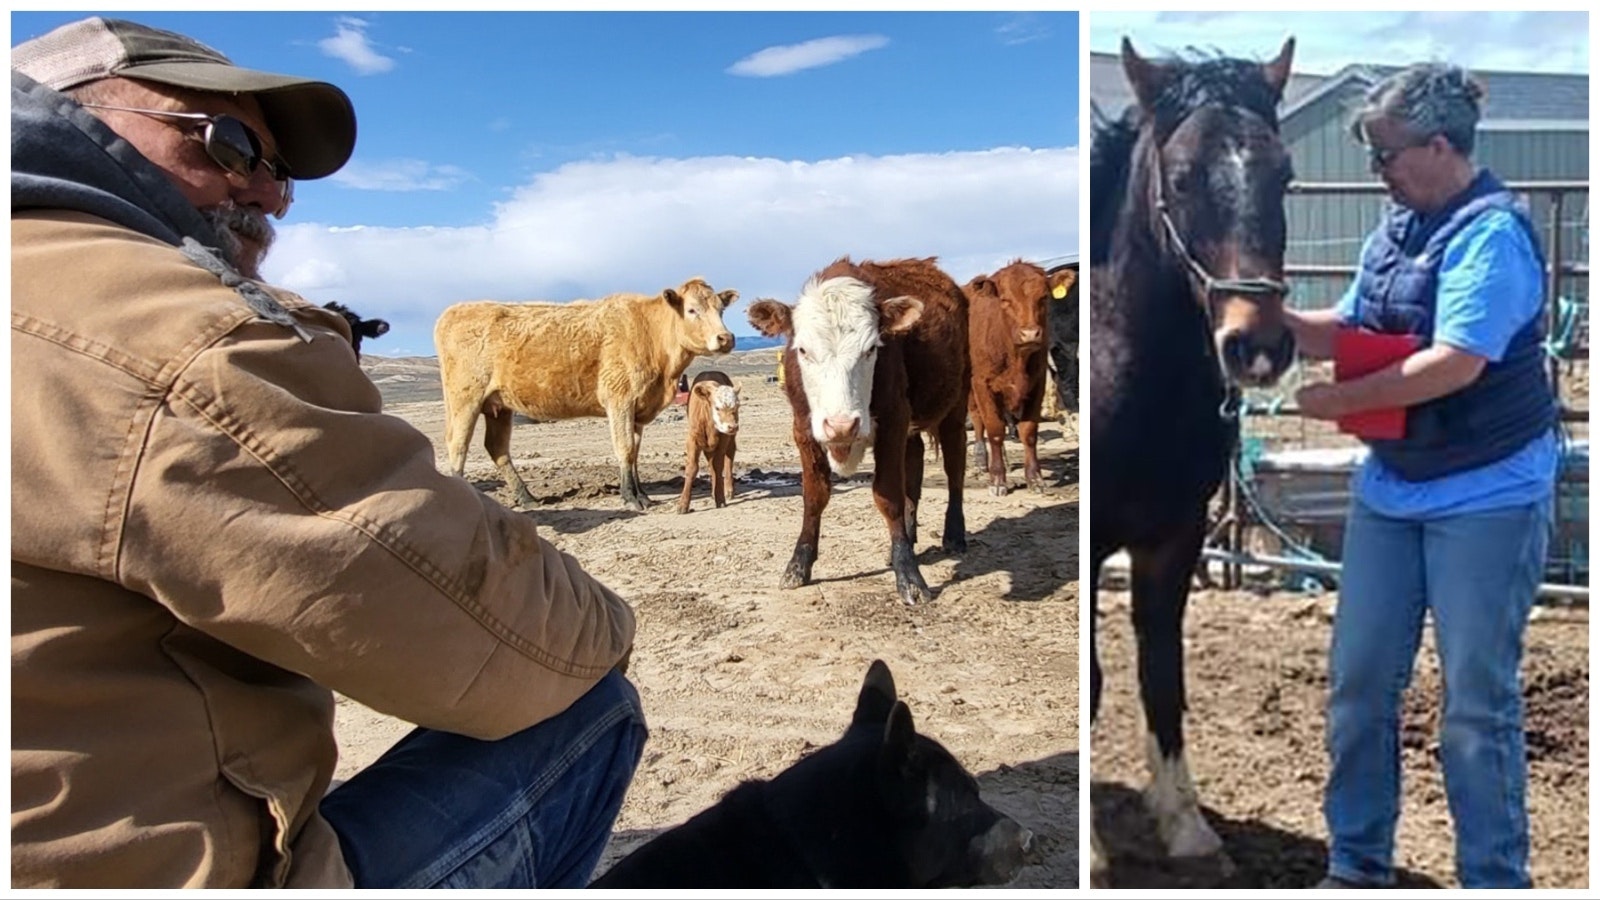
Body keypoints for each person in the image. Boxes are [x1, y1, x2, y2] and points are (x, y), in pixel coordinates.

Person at [11, 17, 646, 889]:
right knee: (591, 702)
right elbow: (520, 641)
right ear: (74, 120)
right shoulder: (168, 334)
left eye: (275, 170)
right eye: (228, 144)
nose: (270, 195)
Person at [1284, 63, 1557, 889]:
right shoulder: (1396, 228)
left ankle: (1493, 878)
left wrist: (1338, 402)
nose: (1378, 172)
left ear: (1440, 146)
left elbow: (1456, 363)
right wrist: (1276, 321)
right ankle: (1357, 863)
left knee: (1476, 706)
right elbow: (1358, 323)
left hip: (1489, 491)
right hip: (1396, 487)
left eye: (1387, 155)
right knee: (1359, 686)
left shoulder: (1491, 234)